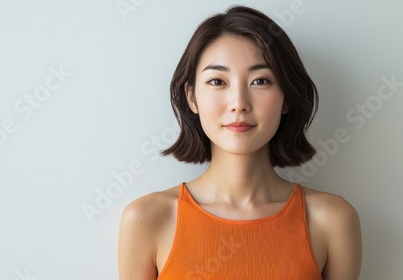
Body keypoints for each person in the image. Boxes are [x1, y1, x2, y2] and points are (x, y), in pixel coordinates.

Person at [118, 5, 362, 279]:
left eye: (260, 80)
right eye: (217, 81)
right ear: (192, 97)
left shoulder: (333, 220)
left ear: (287, 98)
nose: (239, 104)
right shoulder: (146, 219)